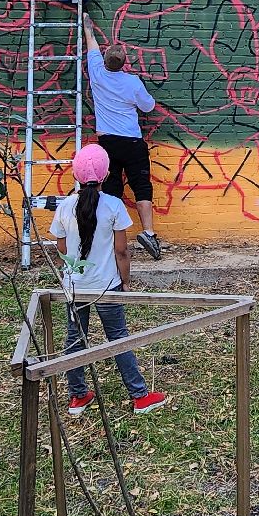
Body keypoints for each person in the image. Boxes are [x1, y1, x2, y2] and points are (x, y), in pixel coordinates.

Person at [56, 143, 169, 416]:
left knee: (75, 340)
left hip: (74, 286)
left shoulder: (65, 206)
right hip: (107, 286)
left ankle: (78, 397)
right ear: (107, 176)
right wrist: (125, 283)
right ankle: (139, 396)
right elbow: (121, 251)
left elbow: (61, 249)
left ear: (76, 175)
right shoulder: (114, 206)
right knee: (118, 339)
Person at [84, 14, 163, 259]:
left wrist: (87, 22)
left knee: (111, 189)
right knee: (141, 187)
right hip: (132, 141)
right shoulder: (132, 82)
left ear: (105, 60)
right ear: (124, 63)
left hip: (107, 142)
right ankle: (148, 233)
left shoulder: (96, 73)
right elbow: (148, 107)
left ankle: (108, 235)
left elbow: (91, 43)